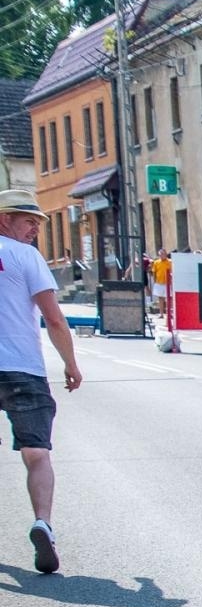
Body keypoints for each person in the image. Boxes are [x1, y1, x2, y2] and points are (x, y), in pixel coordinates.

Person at [0, 190, 83, 574]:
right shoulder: (26, 257)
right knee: (36, 454)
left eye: (37, 222)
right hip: (22, 368)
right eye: (27, 220)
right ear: (4, 219)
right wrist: (70, 362)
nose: (35, 228)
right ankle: (42, 523)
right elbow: (53, 317)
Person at [149, 247, 171, 319]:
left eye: (163, 254)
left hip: (168, 283)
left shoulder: (170, 262)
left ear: (166, 254)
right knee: (160, 299)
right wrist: (155, 281)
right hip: (159, 283)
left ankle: (169, 313)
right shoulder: (156, 263)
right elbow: (154, 272)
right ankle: (161, 314)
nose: (162, 255)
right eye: (160, 254)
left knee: (169, 299)